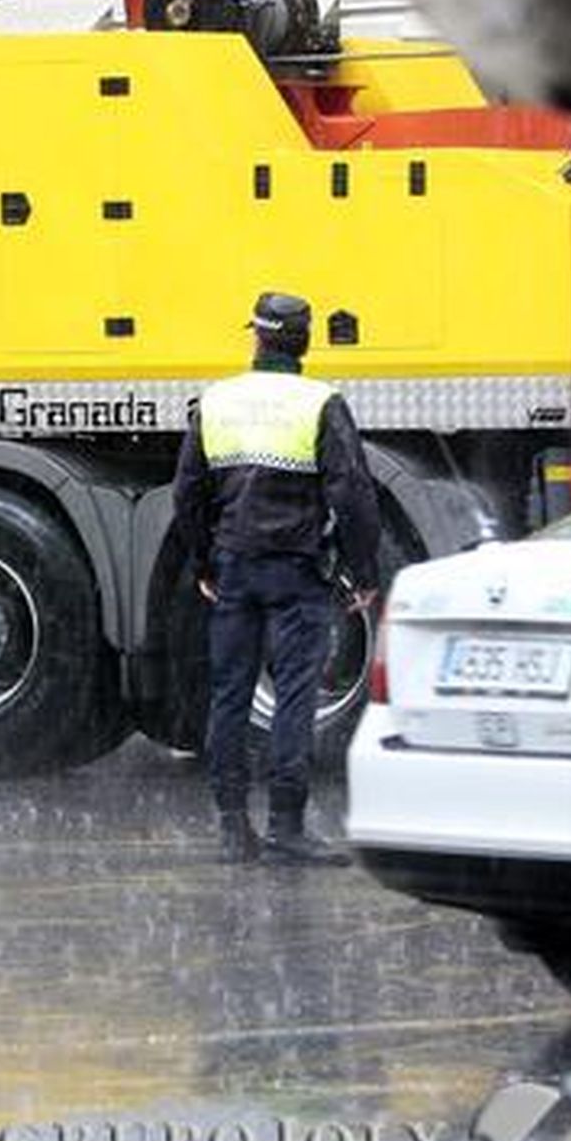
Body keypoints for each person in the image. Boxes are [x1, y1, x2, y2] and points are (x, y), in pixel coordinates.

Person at [172, 291, 380, 867]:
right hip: (297, 571)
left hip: (235, 567)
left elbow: (187, 494)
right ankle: (286, 826)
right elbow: (352, 493)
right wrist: (363, 571)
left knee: (231, 695)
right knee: (294, 696)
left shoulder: (217, 402)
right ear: (305, 342)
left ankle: (232, 829)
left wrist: (205, 563)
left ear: (257, 338)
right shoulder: (320, 403)